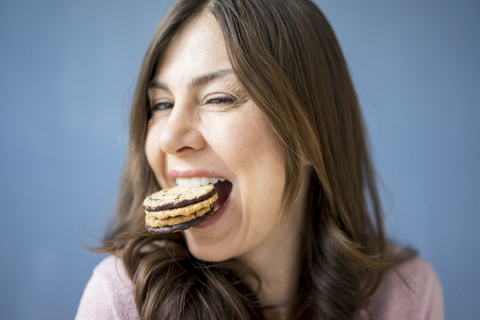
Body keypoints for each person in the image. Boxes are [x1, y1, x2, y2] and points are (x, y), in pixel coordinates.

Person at [76, 0, 443, 319]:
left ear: (308, 133)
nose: (170, 138)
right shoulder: (123, 303)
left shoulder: (405, 295)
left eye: (218, 98)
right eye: (161, 104)